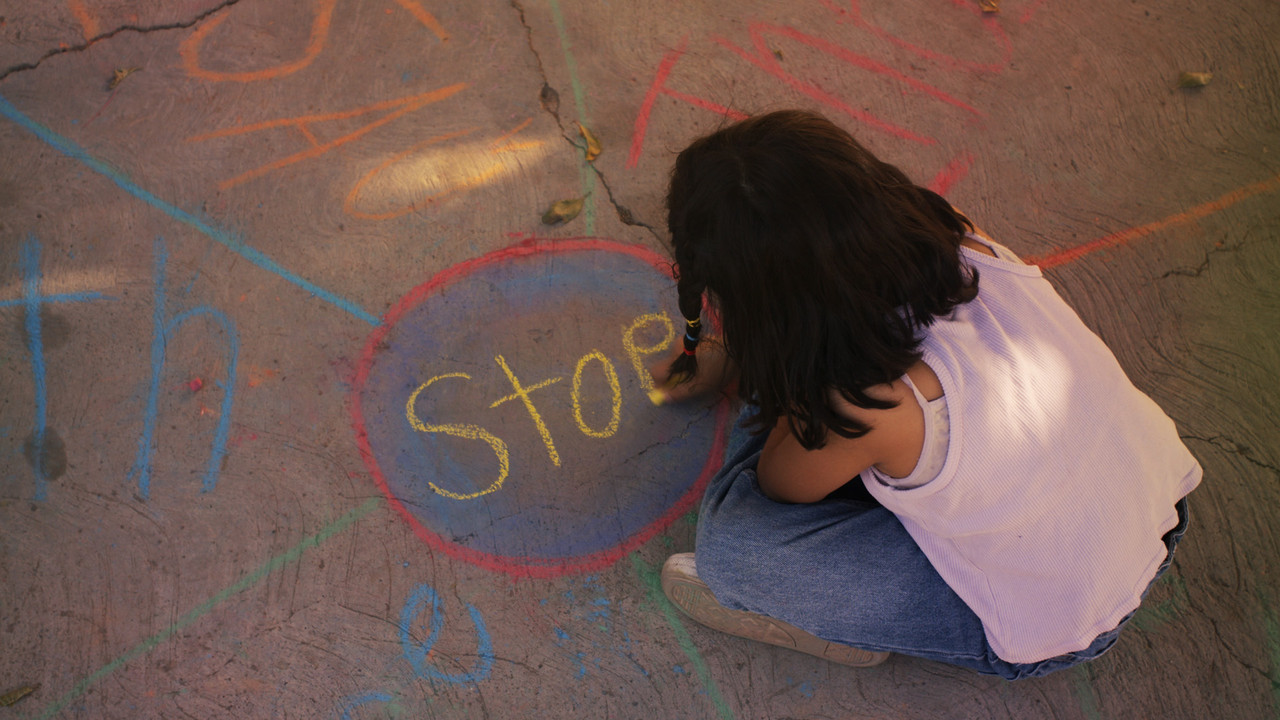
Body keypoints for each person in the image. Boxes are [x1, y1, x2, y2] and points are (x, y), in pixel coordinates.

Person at [651, 109, 1201, 679]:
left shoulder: (867, 401)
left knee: (735, 548)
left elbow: (780, 484)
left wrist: (768, 362)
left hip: (1062, 616)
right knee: (880, 446)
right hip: (1151, 503)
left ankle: (837, 626)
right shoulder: (954, 234)